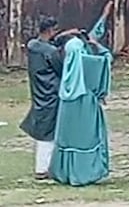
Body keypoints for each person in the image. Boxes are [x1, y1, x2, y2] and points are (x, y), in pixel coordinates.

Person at [50, 14, 113, 186]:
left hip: (67, 106)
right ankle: (85, 172)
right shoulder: (89, 64)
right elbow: (106, 60)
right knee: (86, 138)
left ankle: (66, 173)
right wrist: (99, 46)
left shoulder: (65, 73)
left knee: (68, 138)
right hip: (85, 104)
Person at [19, 17, 79, 180]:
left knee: (44, 129)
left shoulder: (32, 46)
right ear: (50, 30)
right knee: (48, 133)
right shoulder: (50, 52)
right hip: (51, 93)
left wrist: (64, 34)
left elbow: (47, 43)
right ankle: (43, 168)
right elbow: (61, 68)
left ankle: (45, 166)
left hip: (39, 90)